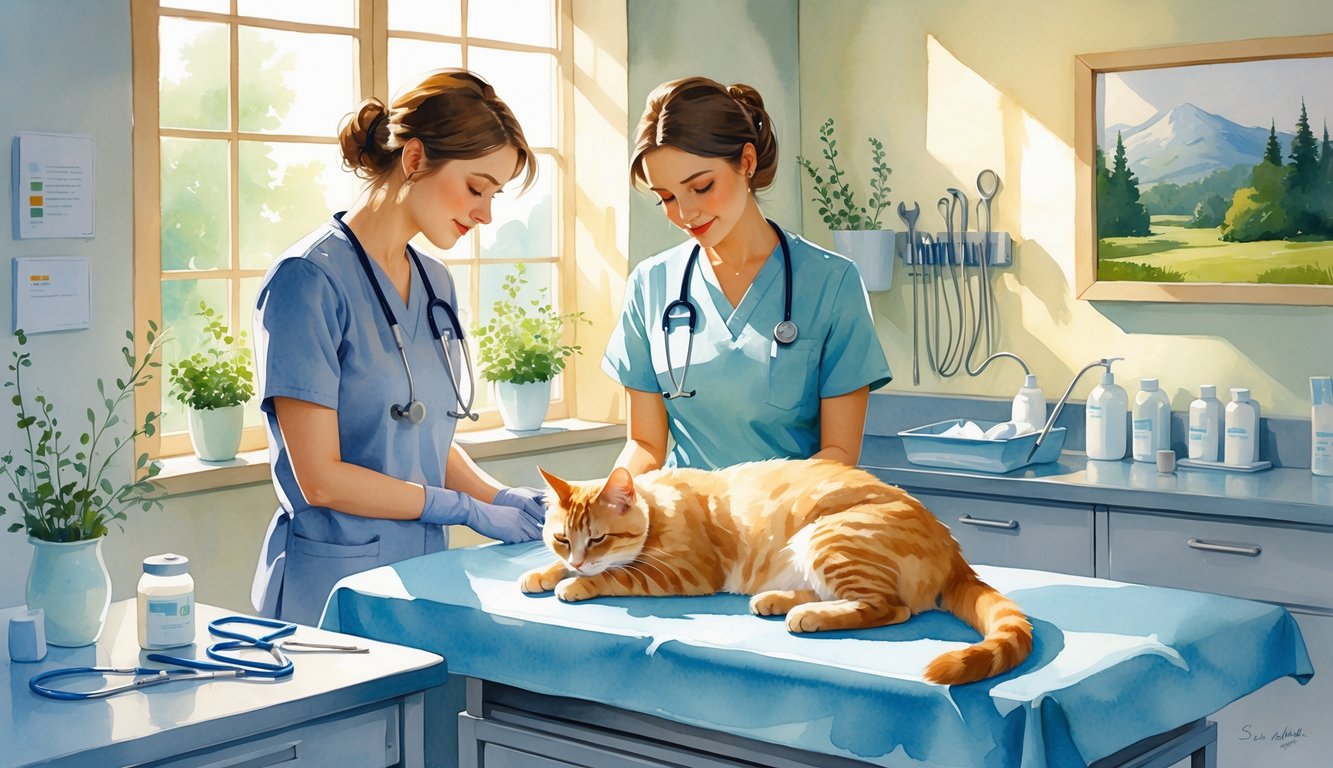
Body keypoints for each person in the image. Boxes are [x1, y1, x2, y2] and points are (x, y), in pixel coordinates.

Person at [251, 70, 547, 626]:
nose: (485, 214)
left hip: (424, 580)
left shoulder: (435, 283)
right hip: (330, 589)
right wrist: (463, 509)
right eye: (476, 187)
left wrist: (497, 496)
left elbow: (419, 435)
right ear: (414, 158)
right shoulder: (307, 282)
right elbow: (320, 478)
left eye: (494, 195)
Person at [603, 77, 892, 473]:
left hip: (790, 509)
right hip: (684, 511)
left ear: (747, 162)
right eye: (666, 198)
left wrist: (750, 506)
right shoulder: (650, 284)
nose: (685, 214)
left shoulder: (832, 283)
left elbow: (839, 454)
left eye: (702, 187)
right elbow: (645, 444)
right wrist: (607, 499)